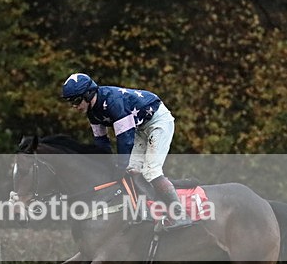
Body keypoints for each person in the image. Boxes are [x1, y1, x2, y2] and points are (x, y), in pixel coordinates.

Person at [61, 72, 192, 231]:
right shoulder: (93, 112)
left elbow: (125, 139)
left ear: (88, 94)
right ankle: (147, 211)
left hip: (158, 121)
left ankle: (180, 215)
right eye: (70, 103)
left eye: (76, 101)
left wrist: (119, 166)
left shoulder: (113, 102)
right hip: (140, 127)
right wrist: (109, 166)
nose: (74, 106)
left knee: (151, 170)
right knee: (132, 170)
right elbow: (101, 142)